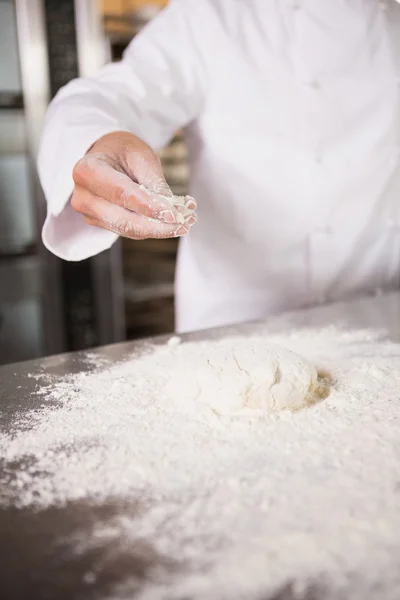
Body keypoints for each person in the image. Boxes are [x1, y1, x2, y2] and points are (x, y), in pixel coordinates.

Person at [38, 0, 400, 334]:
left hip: (382, 319)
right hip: (238, 328)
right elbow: (108, 95)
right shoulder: (211, 14)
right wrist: (97, 140)